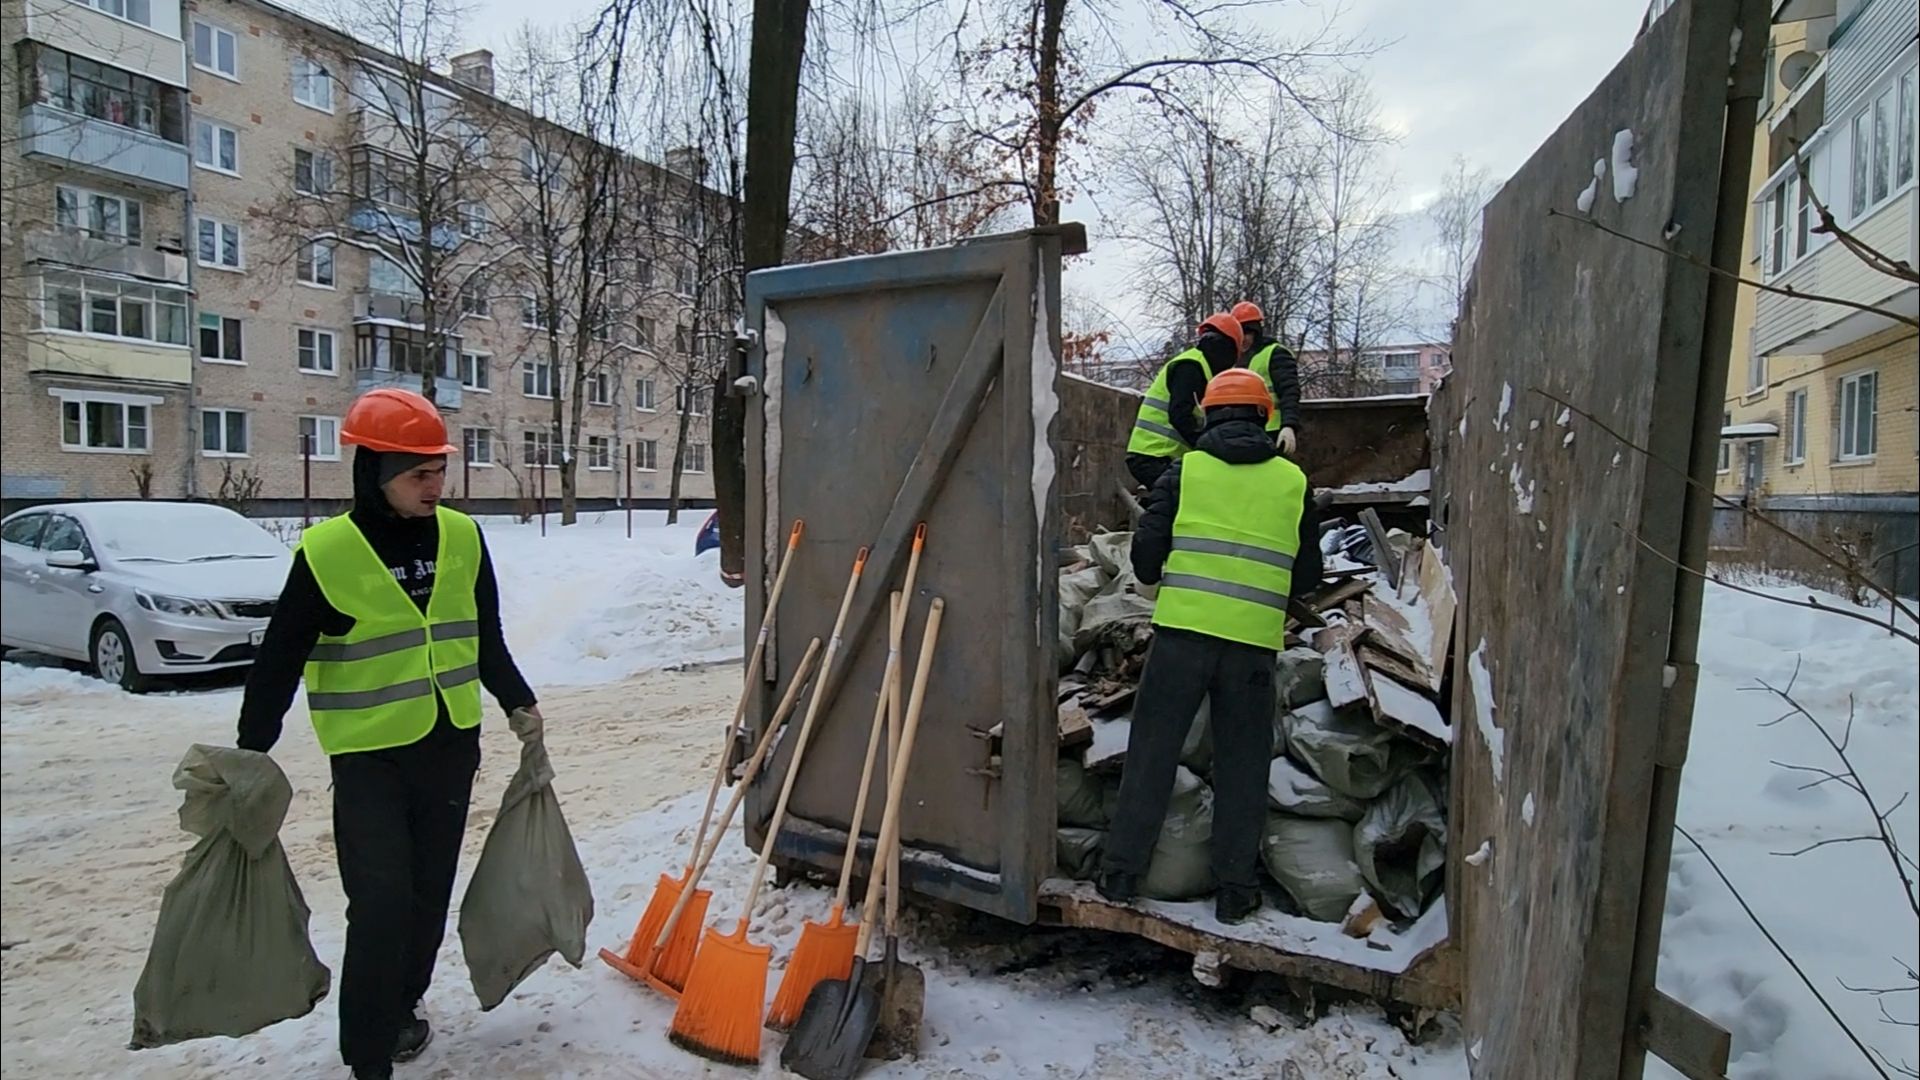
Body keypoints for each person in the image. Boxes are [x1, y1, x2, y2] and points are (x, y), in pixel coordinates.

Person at [236, 387, 540, 1080]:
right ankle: (367, 1055)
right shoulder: (329, 552)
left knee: (429, 897)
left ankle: (402, 1009)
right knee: (380, 905)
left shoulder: (463, 537)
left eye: (440, 471)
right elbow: (281, 656)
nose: (435, 486)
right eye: (418, 475)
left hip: (449, 746)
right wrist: (252, 746)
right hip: (369, 757)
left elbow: (482, 635)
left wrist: (518, 703)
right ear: (375, 474)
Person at [1097, 368, 1323, 925]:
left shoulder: (1186, 470)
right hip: (1251, 647)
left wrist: (1159, 575)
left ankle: (1121, 876)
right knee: (1243, 766)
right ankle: (1234, 891)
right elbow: (1308, 575)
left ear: (1208, 414)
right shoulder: (1292, 482)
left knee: (1152, 752)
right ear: (1265, 415)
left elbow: (1146, 553)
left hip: (1180, 638)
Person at [1125, 312, 1245, 491]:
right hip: (1155, 456)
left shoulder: (1199, 366)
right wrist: (1208, 447)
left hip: (1156, 456)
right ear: (1229, 349)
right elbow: (1180, 415)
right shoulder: (1190, 366)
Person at [1231, 300, 1302, 455]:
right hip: (1248, 432)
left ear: (1256, 333)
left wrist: (1288, 425)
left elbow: (1290, 392)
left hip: (1273, 432)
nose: (1243, 339)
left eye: (1247, 333)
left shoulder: (1275, 353)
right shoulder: (1236, 360)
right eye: (1239, 334)